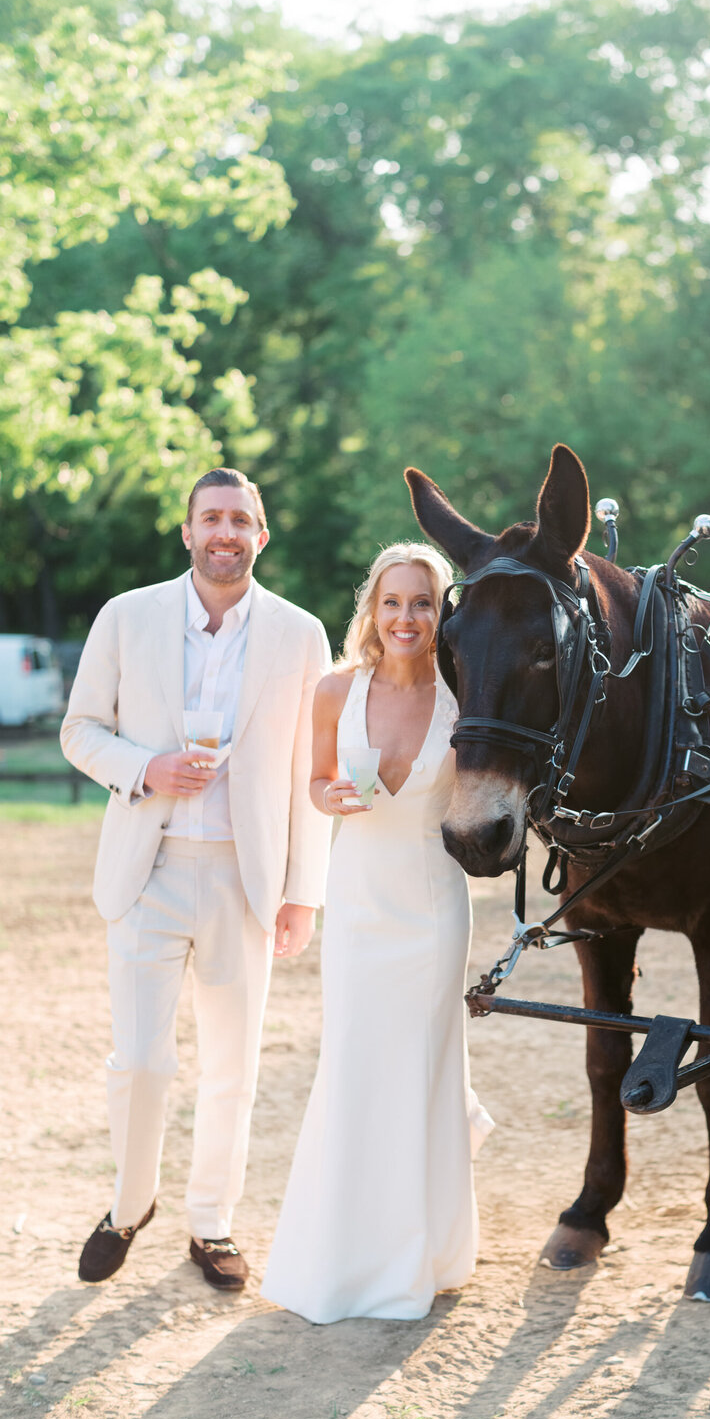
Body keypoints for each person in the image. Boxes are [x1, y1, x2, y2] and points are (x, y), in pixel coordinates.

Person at [61, 467, 332, 1291]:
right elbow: (79, 731)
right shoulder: (126, 616)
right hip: (147, 870)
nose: (225, 533)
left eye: (240, 520)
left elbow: (304, 775)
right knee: (141, 1062)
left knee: (232, 1068)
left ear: (261, 536)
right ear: (186, 533)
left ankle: (210, 1223)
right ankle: (129, 1202)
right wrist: (148, 767)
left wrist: (302, 891)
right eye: (210, 518)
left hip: (245, 883)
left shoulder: (300, 634)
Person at [262, 542, 492, 1324]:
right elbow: (317, 786)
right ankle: (340, 1254)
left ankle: (418, 1259)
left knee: (422, 1071)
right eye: (393, 603)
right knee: (358, 1063)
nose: (406, 618)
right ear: (374, 608)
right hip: (359, 900)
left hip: (433, 904)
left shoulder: (466, 698)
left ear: (441, 614)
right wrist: (331, 796)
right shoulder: (335, 689)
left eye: (422, 603)